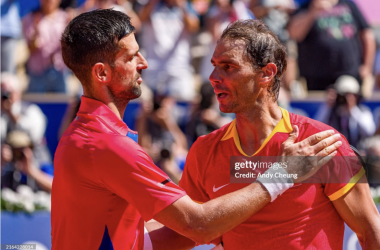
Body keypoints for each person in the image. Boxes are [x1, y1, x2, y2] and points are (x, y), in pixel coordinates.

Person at [52, 10, 343, 250]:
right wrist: (282, 174)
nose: (145, 63)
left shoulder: (88, 136)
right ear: (101, 73)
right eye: (132, 57)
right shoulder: (111, 145)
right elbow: (197, 225)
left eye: (228, 66)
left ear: (267, 73)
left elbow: (168, 232)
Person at [178, 20, 380, 249]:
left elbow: (371, 232)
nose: (213, 76)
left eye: (228, 67)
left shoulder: (323, 142)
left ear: (266, 73)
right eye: (214, 65)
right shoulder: (204, 151)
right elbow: (185, 231)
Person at [287, 0, 376, 91]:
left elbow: (367, 35)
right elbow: (293, 34)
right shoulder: (305, 8)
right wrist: (312, 12)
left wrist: (367, 66)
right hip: (316, 78)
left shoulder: (348, 5)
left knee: (346, 92)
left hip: (349, 73)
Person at [138, 0, 200, 101]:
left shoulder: (186, 6)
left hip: (179, 68)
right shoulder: (150, 5)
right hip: (154, 69)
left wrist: (181, 5)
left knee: (183, 106)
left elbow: (193, 27)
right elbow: (141, 19)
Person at [22, 0, 69, 93]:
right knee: (35, 106)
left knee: (61, 106)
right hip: (37, 73)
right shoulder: (30, 18)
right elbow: (30, 49)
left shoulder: (66, 18)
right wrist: (35, 32)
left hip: (60, 71)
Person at [315, 75, 376, 147]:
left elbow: (370, 131)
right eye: (343, 95)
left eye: (350, 95)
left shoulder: (362, 111)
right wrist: (328, 106)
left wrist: (352, 110)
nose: (346, 99)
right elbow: (316, 127)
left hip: (358, 151)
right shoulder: (331, 111)